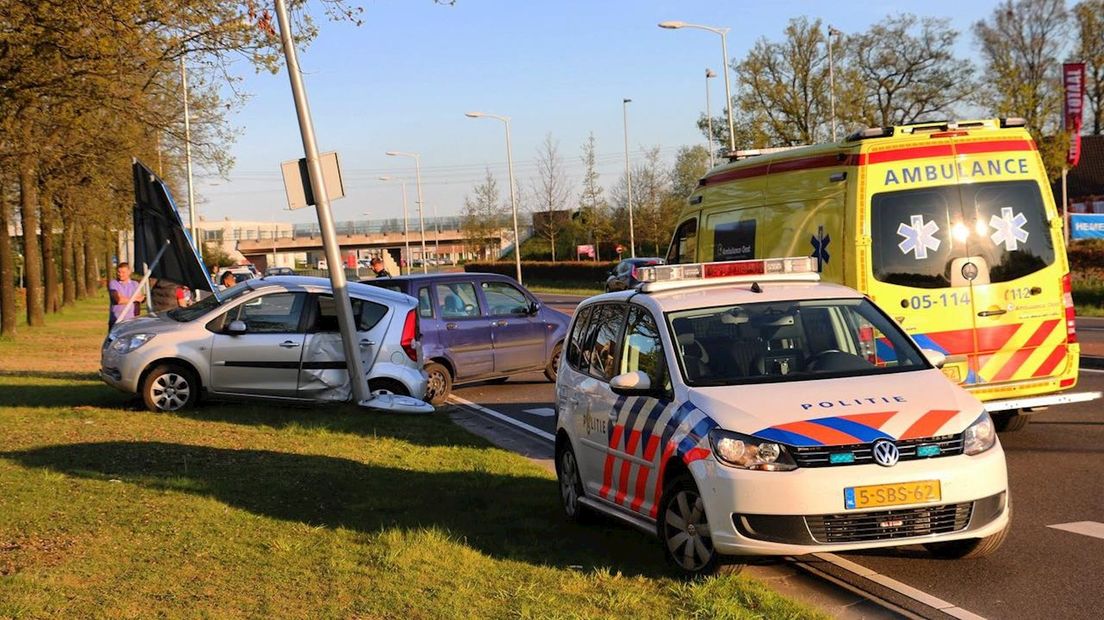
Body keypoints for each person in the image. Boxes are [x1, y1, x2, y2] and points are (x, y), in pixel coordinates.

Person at [108, 262, 144, 328]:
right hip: (116, 320)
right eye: (119, 272)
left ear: (129, 272)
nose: (120, 274)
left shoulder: (135, 284)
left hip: (132, 320)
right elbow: (119, 300)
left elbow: (140, 300)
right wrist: (135, 299)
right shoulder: (113, 283)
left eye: (123, 272)